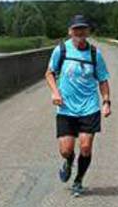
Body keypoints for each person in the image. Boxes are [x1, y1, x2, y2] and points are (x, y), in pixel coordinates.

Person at [44, 14, 112, 196]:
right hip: (66, 108)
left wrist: (106, 101)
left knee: (85, 147)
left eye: (83, 29)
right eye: (76, 29)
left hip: (89, 107)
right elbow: (49, 73)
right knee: (66, 150)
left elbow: (103, 79)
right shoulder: (61, 50)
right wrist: (55, 92)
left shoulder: (94, 54)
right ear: (70, 31)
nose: (80, 33)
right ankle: (68, 161)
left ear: (88, 32)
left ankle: (78, 180)